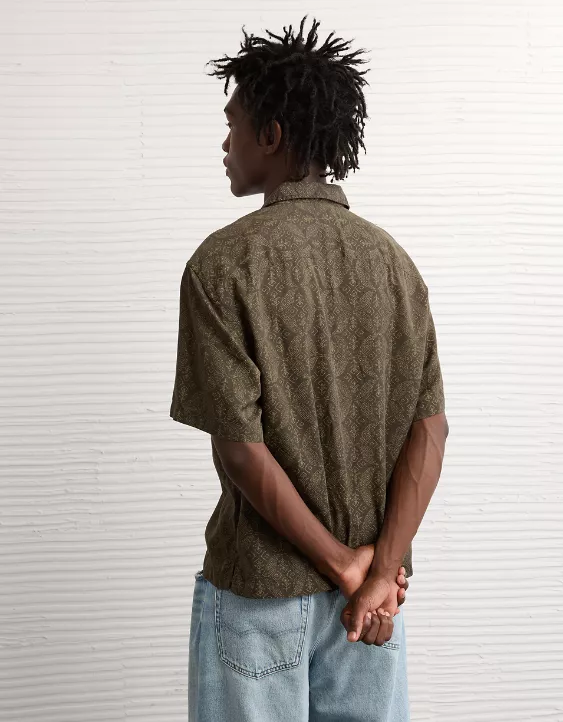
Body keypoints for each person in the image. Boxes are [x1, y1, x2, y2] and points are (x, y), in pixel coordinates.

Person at [170, 14, 448, 722]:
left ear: (271, 136)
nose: (224, 144)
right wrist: (377, 570)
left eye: (233, 126)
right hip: (373, 603)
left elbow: (240, 449)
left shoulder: (222, 264)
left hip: (260, 597)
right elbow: (429, 431)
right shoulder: (393, 264)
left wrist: (344, 565)